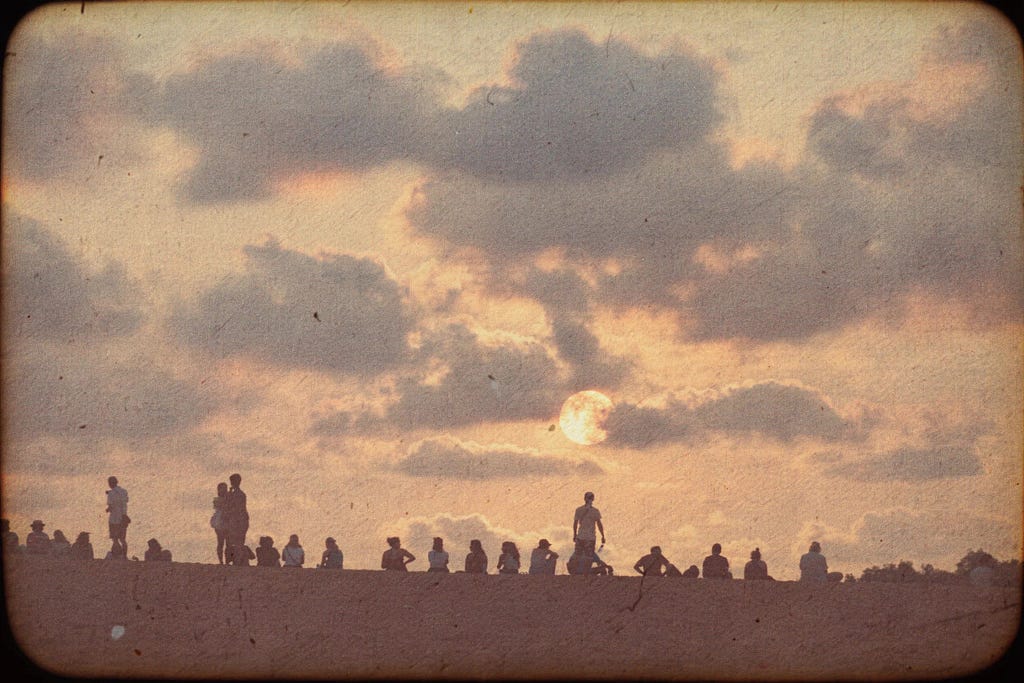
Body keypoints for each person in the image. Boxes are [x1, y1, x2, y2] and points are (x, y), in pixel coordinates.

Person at [224, 474, 249, 565]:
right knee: (236, 541)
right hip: (237, 520)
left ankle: (236, 560)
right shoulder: (239, 494)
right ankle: (235, 560)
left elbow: (234, 507)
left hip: (237, 520)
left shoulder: (239, 494)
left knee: (236, 541)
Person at [572, 491, 605, 558]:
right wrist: (603, 536)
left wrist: (575, 535)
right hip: (590, 538)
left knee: (577, 555)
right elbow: (599, 525)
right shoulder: (595, 511)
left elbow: (575, 524)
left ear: (584, 498)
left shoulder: (579, 510)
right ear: (593, 499)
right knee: (589, 556)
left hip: (580, 537)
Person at [106, 476, 130, 558]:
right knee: (123, 539)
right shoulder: (124, 491)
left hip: (114, 519)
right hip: (123, 518)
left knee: (115, 539)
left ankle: (117, 555)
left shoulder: (111, 494)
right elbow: (125, 501)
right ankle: (124, 555)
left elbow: (111, 506)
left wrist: (107, 510)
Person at [211, 482, 229, 564]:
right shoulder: (217, 500)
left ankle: (227, 560)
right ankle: (221, 560)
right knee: (221, 542)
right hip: (220, 522)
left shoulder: (226, 498)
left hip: (226, 521)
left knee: (228, 542)